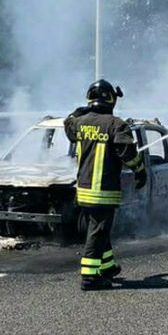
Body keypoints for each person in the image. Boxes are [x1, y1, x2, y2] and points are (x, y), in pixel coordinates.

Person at [63, 80, 147, 292]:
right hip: (103, 191)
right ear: (110, 99)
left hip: (82, 190)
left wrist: (76, 112)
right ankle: (90, 277)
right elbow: (127, 151)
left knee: (99, 229)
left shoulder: (80, 122)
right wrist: (139, 170)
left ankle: (108, 267)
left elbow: (68, 125)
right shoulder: (116, 124)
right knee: (98, 230)